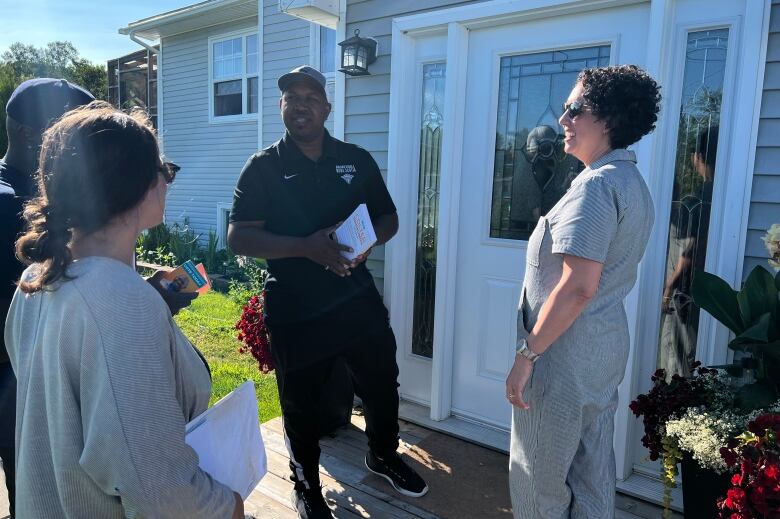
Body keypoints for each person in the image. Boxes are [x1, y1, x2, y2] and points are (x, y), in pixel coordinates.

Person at [4, 102, 245, 518]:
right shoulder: (121, 301)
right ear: (139, 185)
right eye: (165, 170)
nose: (168, 181)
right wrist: (230, 507)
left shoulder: (35, 282)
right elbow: (159, 492)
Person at [228, 65, 427, 519]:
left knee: (381, 384)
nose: (300, 105)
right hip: (295, 307)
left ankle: (382, 455)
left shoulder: (354, 159)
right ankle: (306, 484)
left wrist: (364, 244)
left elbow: (389, 218)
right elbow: (239, 236)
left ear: (326, 108)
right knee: (299, 401)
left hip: (355, 298)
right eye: (291, 97)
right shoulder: (263, 167)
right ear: (281, 106)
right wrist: (305, 248)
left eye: (310, 98)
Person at [506, 65, 661, 518]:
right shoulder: (632, 183)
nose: (563, 120)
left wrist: (526, 357)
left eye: (576, 109)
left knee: (538, 478)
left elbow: (578, 287)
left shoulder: (596, 186)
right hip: (602, 351)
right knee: (592, 473)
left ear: (609, 118)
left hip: (562, 357)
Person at [0, 78, 94, 518]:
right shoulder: (9, 206)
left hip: (42, 370)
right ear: (24, 134)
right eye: (66, 132)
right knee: (39, 493)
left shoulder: (55, 198)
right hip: (17, 379)